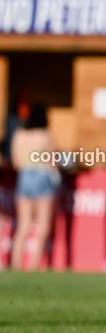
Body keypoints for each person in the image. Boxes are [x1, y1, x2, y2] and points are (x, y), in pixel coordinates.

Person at [9, 104, 59, 271]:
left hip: (24, 177)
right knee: (43, 226)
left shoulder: (19, 134)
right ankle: (34, 265)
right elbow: (53, 162)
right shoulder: (45, 135)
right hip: (42, 176)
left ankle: (15, 264)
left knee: (23, 225)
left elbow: (16, 163)